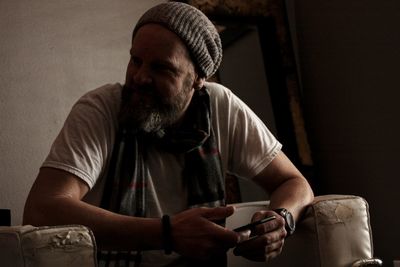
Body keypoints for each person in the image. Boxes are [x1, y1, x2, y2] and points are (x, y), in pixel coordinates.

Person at [23, 2, 314, 266]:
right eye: (135, 60)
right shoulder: (100, 109)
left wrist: (281, 219)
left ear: (198, 78)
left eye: (161, 68)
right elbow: (42, 210)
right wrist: (166, 233)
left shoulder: (220, 106)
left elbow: (294, 182)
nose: (139, 77)